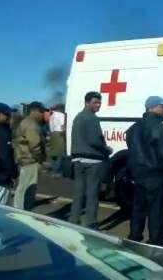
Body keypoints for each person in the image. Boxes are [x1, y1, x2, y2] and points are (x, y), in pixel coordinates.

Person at [126, 96, 163, 245]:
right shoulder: (159, 127)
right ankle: (155, 242)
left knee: (138, 208)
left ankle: (134, 237)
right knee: (156, 210)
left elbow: (131, 151)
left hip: (139, 175)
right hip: (156, 175)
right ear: (152, 108)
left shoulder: (133, 128)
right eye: (162, 106)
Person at [69, 92, 112, 228]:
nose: (98, 105)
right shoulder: (92, 118)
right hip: (92, 160)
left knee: (78, 192)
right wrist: (107, 149)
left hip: (77, 159)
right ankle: (91, 222)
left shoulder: (78, 117)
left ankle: (73, 220)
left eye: (99, 102)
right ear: (87, 102)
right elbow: (95, 140)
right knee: (93, 192)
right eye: (95, 102)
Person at [13, 101, 47, 210]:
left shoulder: (26, 122)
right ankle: (21, 212)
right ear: (35, 111)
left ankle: (22, 210)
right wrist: (40, 159)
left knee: (24, 188)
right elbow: (35, 145)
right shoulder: (31, 124)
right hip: (30, 160)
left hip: (25, 159)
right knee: (27, 189)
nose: (43, 114)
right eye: (41, 111)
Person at [0, 103, 18, 205]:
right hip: (0, 177)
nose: (9, 116)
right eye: (7, 114)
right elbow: (5, 155)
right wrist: (13, 173)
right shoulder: (2, 131)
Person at [48, 104, 66, 178]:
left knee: (53, 154)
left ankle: (54, 171)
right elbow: (63, 126)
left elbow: (51, 127)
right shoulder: (61, 115)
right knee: (59, 154)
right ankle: (58, 172)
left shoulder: (51, 116)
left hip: (53, 134)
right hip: (60, 134)